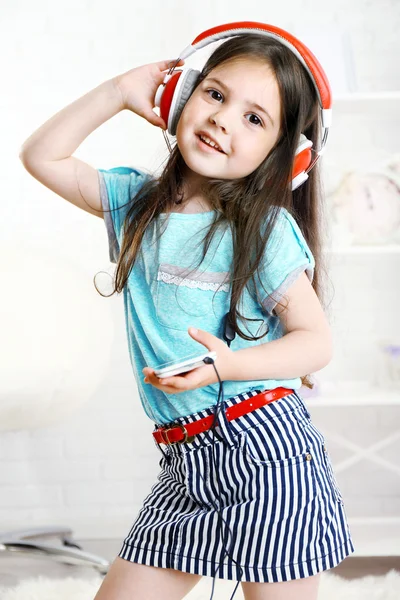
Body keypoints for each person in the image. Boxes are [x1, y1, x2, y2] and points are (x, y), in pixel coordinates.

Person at [19, 21, 355, 600]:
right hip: (184, 461)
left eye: (255, 118)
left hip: (268, 457)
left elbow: (314, 342)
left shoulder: (264, 231)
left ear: (284, 157)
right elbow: (41, 156)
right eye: (216, 94)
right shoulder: (133, 204)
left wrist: (226, 366)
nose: (224, 119)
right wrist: (120, 92)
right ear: (181, 95)